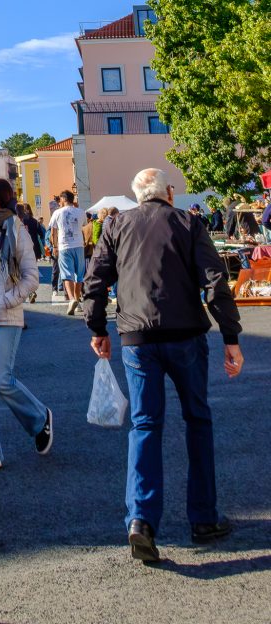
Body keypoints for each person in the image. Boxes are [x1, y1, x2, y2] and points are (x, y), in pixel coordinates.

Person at [84, 168, 244, 565]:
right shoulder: (188, 222)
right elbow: (214, 280)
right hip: (186, 333)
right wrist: (230, 336)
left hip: (137, 337)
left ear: (137, 195)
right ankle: (204, 518)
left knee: (145, 424)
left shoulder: (116, 224)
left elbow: (95, 279)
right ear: (168, 192)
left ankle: (140, 520)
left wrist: (96, 327)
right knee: (198, 419)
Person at [0, 179, 52, 471]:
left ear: (4, 199)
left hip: (6, 314)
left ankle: (40, 418)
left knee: (0, 380)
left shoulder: (17, 230)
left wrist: (6, 300)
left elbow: (31, 277)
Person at [49, 191, 85, 316]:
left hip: (64, 246)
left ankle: (72, 299)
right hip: (79, 245)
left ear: (64, 198)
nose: (59, 201)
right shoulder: (81, 212)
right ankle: (78, 302)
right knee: (78, 275)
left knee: (66, 274)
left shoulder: (57, 212)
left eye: (60, 198)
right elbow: (83, 227)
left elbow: (53, 231)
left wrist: (54, 246)